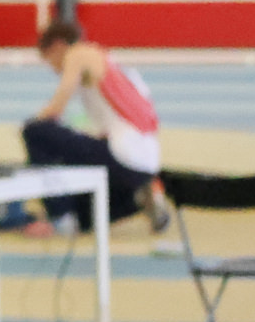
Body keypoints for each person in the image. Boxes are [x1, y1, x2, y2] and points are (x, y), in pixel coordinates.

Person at [25, 17, 166, 228]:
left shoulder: (79, 53)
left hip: (123, 153)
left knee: (35, 132)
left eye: (50, 61)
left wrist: (30, 123)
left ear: (58, 46)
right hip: (145, 164)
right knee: (84, 215)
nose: (54, 70)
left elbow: (55, 109)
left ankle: (60, 216)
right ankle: (137, 199)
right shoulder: (107, 63)